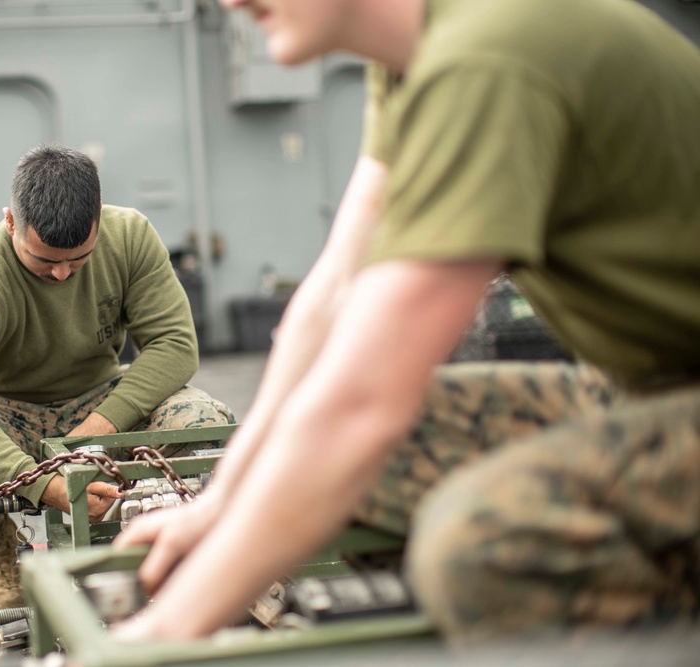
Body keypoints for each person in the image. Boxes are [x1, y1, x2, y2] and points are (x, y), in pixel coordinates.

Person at [114, 0, 700, 646]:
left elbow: (363, 404)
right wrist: (221, 503)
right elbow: (335, 290)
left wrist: (158, 634)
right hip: (646, 391)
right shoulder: (413, 59)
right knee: (350, 462)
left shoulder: (486, 55)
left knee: (479, 542)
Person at [0, 144, 234, 610]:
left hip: (98, 398)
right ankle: (0, 551)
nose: (60, 274)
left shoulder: (130, 235)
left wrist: (101, 426)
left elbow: (175, 346)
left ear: (98, 217)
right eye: (44, 260)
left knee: (204, 420)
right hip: (10, 417)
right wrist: (46, 485)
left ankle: (155, 542)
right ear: (11, 222)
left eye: (78, 260)